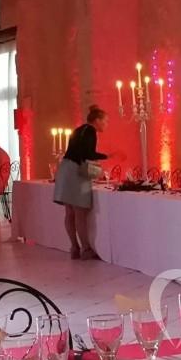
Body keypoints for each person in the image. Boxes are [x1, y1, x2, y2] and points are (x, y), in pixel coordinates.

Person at [54, 105, 117, 260]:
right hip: (76, 171)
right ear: (97, 120)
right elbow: (88, 154)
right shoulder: (90, 131)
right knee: (80, 213)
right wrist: (109, 156)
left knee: (69, 212)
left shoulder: (78, 130)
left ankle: (74, 247)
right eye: (105, 121)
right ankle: (86, 249)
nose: (106, 124)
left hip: (65, 168)